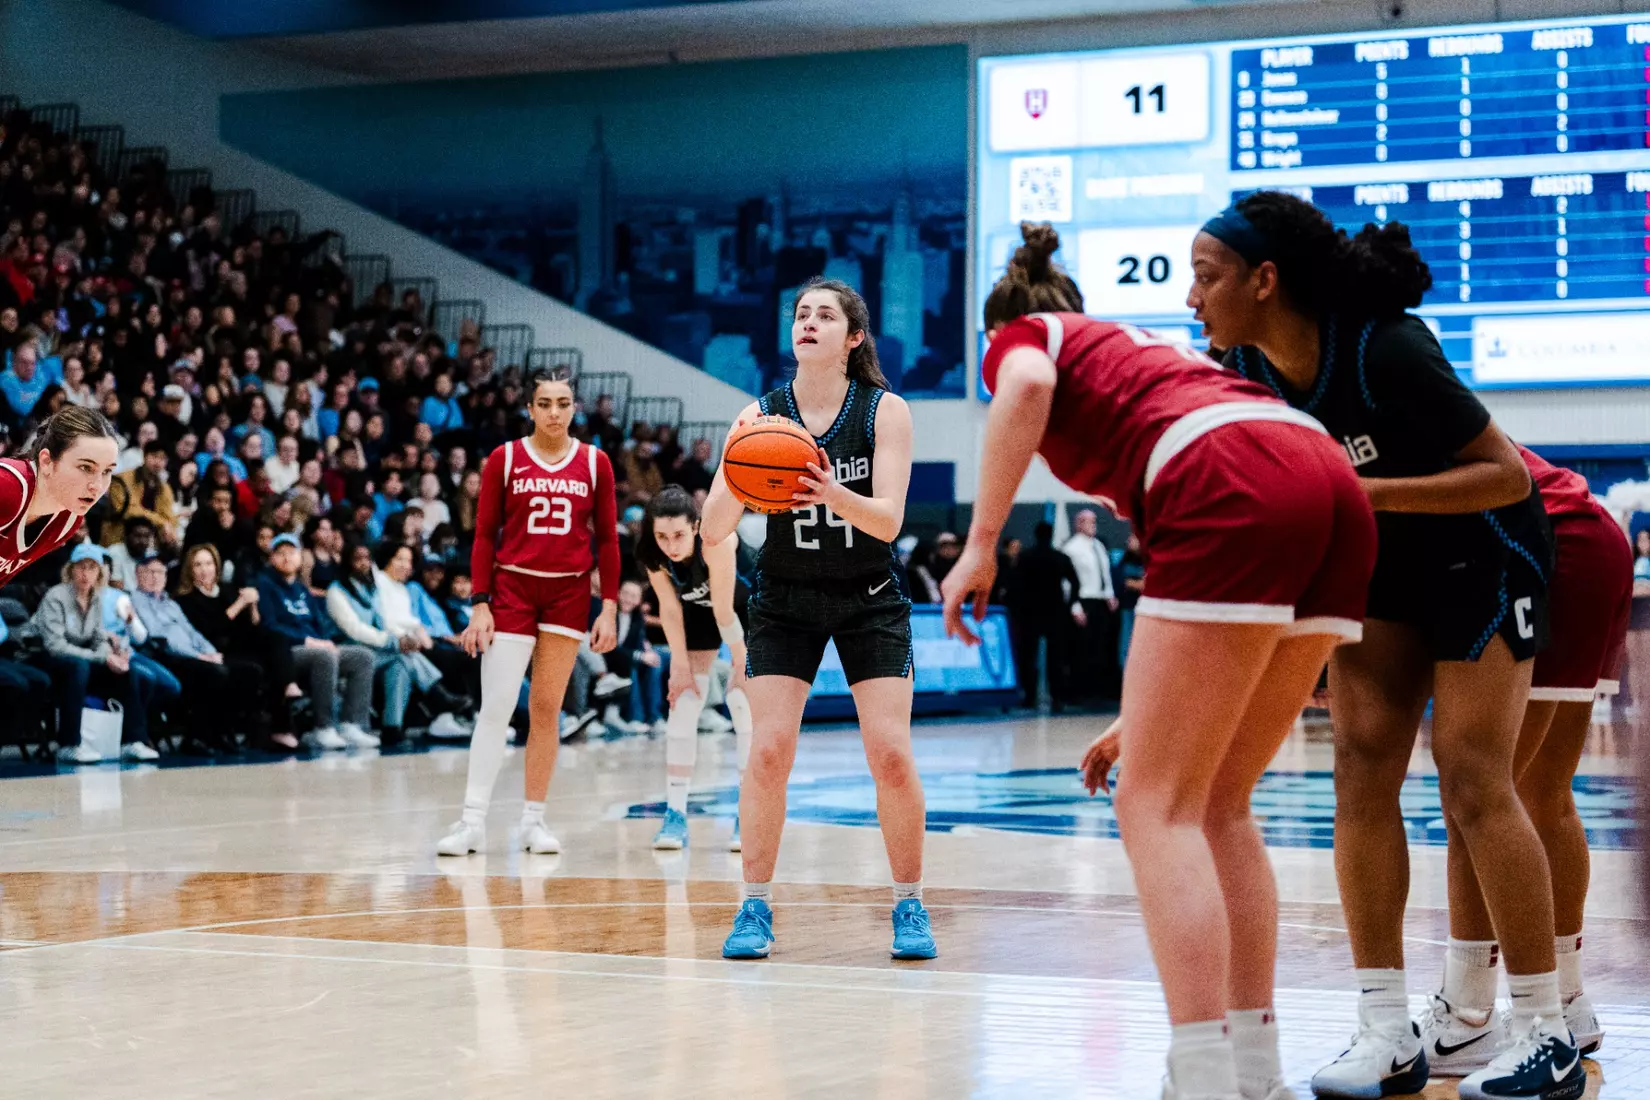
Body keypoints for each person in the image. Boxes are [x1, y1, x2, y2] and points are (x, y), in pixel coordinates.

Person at [939, 222, 1376, 1100]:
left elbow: (1023, 383)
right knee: (1219, 807)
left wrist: (982, 541)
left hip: (1227, 475)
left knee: (1155, 807)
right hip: (1324, 475)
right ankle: (1255, 1071)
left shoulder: (1023, 339)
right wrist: (1141, 717)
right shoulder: (1138, 358)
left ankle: (1202, 1077)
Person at [1191, 193, 1570, 1100]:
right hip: (1382, 573)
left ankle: (1544, 1028)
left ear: (1264, 279)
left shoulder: (1385, 345)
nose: (1192, 297)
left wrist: (1366, 495)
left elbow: (1505, 472)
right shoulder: (1244, 369)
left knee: (1473, 775)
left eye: (1207, 276)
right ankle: (1383, 1030)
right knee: (1359, 771)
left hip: (1486, 554)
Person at [700, 278, 935, 962]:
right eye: (801, 313)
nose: (808, 322)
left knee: (889, 753)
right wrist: (739, 476)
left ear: (853, 337)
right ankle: (753, 908)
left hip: (869, 594)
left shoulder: (883, 411)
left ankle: (909, 904)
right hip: (786, 596)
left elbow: (888, 520)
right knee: (769, 750)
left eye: (825, 315)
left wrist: (827, 489)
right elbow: (714, 527)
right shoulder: (759, 417)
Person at [1420, 446, 1631, 1073]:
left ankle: (1468, 1014)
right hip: (1593, 538)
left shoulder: (1338, 402)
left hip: (1540, 542)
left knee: (1477, 787)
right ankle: (1567, 1002)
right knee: (1543, 790)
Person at [436, 368, 619, 857]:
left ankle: (533, 820)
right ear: (531, 408)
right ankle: (471, 821)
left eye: (563, 403)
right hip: (512, 590)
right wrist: (479, 604)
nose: (554, 412)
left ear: (574, 408)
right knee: (496, 707)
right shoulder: (505, 458)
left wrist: (611, 608)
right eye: (545, 403)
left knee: (546, 711)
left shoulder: (596, 463)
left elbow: (606, 539)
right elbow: (482, 535)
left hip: (569, 594)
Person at [636, 486, 751, 851]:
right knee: (684, 703)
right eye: (662, 536)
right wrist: (679, 667)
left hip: (751, 610)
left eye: (679, 535)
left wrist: (740, 660)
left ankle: (747, 815)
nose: (671, 545)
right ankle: (675, 815)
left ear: (697, 526)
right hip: (699, 613)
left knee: (741, 703)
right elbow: (670, 610)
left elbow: (724, 610)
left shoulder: (716, 541)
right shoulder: (651, 554)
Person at [24, 543, 164, 764]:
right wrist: (103, 657)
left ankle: (132, 741)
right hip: (44, 657)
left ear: (100, 572)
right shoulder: (56, 596)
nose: (85, 573)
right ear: (70, 569)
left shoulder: (96, 598)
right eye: (81, 567)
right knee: (78, 667)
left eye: (92, 568)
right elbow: (55, 646)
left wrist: (112, 656)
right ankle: (69, 745)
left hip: (80, 659)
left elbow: (99, 638)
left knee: (128, 671)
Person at [256, 533, 379, 751]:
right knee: (325, 656)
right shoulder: (264, 585)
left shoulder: (302, 589)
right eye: (280, 553)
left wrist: (324, 641)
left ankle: (352, 724)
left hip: (316, 645)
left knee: (363, 657)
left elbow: (319, 624)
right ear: (271, 558)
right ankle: (323, 728)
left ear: (300, 557)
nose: (286, 558)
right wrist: (309, 641)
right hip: (287, 652)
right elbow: (269, 626)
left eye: (291, 552)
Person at [131, 550, 259, 754]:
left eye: (160, 573)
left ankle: (222, 732)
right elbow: (158, 636)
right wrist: (200, 656)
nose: (156, 577)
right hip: (168, 657)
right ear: (138, 574)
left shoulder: (170, 603)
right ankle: (197, 736)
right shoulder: (136, 601)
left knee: (248, 671)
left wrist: (211, 653)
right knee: (215, 673)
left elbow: (193, 633)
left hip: (195, 655)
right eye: (150, 572)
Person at [176, 542, 299, 752]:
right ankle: (228, 731)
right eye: (198, 565)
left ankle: (287, 694)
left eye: (208, 563)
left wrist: (252, 605)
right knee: (250, 670)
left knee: (275, 641)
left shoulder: (227, 590)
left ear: (216, 566)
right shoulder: (186, 600)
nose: (205, 569)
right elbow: (209, 632)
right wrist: (240, 604)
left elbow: (250, 625)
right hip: (211, 652)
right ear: (190, 570)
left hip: (237, 645)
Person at [0, 407, 120, 589]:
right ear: (47, 461)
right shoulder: (7, 487)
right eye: (86, 467)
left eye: (107, 471)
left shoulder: (69, 520)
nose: (97, 485)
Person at [1005, 522, 1085, 711]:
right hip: (1056, 613)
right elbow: (1075, 582)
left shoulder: (1025, 557)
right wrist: (1069, 603)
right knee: (1056, 658)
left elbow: (1015, 585)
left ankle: (1029, 697)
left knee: (1028, 657)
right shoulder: (1060, 557)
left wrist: (1018, 608)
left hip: (1030, 613)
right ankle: (1057, 698)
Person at [1063, 508, 1121, 700]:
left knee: (1100, 647)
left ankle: (1097, 690)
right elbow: (1067, 582)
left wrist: (1109, 595)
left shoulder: (1098, 546)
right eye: (1089, 521)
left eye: (1094, 521)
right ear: (1079, 523)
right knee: (1082, 648)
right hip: (1083, 600)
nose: (1093, 525)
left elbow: (1105, 573)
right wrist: (1074, 606)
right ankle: (1080, 691)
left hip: (1100, 601)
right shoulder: (1071, 548)